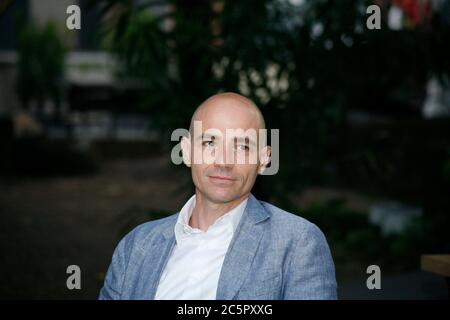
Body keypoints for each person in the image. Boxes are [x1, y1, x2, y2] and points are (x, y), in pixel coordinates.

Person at [99, 92, 337, 300]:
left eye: (242, 147)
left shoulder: (297, 243)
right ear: (187, 151)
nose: (224, 161)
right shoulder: (135, 246)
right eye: (210, 142)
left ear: (263, 160)